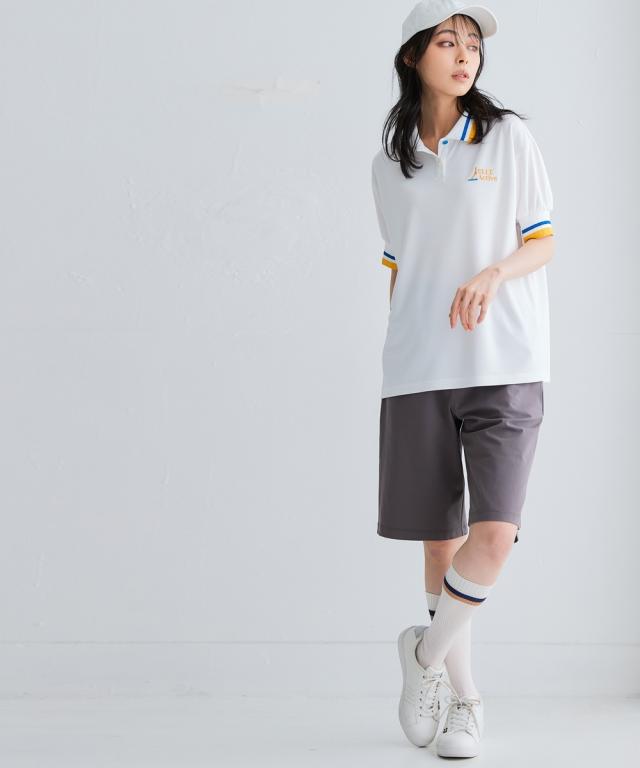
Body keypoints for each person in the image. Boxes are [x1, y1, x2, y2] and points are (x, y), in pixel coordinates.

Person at [371, 0, 555, 759]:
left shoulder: (509, 138)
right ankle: (464, 700)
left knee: (495, 534)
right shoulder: (389, 163)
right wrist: (405, 343)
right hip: (419, 368)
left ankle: (422, 657)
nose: (464, 54)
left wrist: (493, 273)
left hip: (506, 362)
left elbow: (542, 242)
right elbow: (396, 266)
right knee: (440, 545)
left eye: (473, 43)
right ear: (414, 55)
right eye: (448, 41)